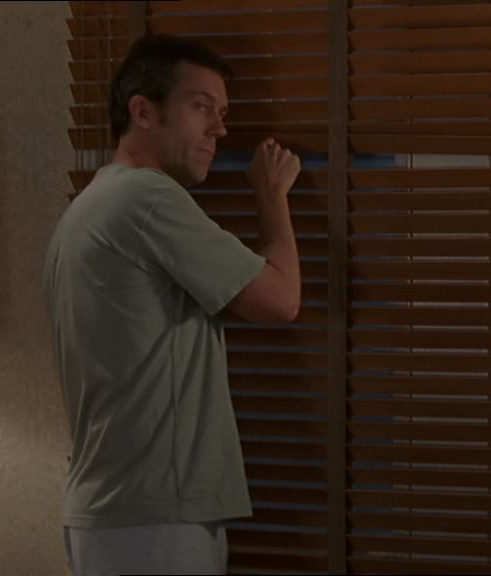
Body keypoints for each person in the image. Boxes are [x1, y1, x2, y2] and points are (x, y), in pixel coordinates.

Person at [43, 33, 301, 576]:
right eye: (201, 107)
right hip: (151, 515)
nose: (219, 130)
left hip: (125, 510)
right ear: (143, 111)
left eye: (222, 113)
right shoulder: (145, 198)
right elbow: (280, 300)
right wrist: (272, 197)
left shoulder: (89, 206)